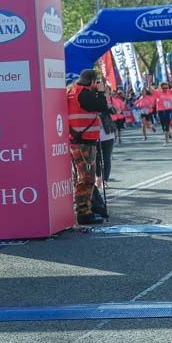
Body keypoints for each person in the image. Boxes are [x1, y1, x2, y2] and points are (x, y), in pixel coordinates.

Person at [67, 70, 108, 226]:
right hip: (85, 142)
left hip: (75, 139)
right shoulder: (84, 93)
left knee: (79, 177)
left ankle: (83, 210)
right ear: (92, 81)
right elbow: (102, 107)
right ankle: (84, 213)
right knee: (86, 178)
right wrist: (101, 92)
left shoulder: (70, 91)